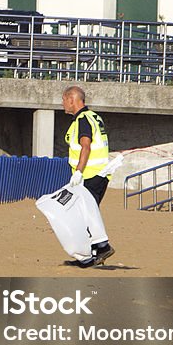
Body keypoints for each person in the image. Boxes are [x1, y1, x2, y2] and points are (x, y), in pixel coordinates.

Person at [62, 85, 115, 267]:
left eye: (64, 100)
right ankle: (91, 255)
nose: (63, 105)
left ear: (72, 99)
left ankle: (101, 247)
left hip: (90, 175)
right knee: (86, 214)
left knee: (84, 215)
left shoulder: (83, 120)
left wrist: (78, 172)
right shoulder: (94, 117)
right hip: (99, 174)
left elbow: (86, 146)